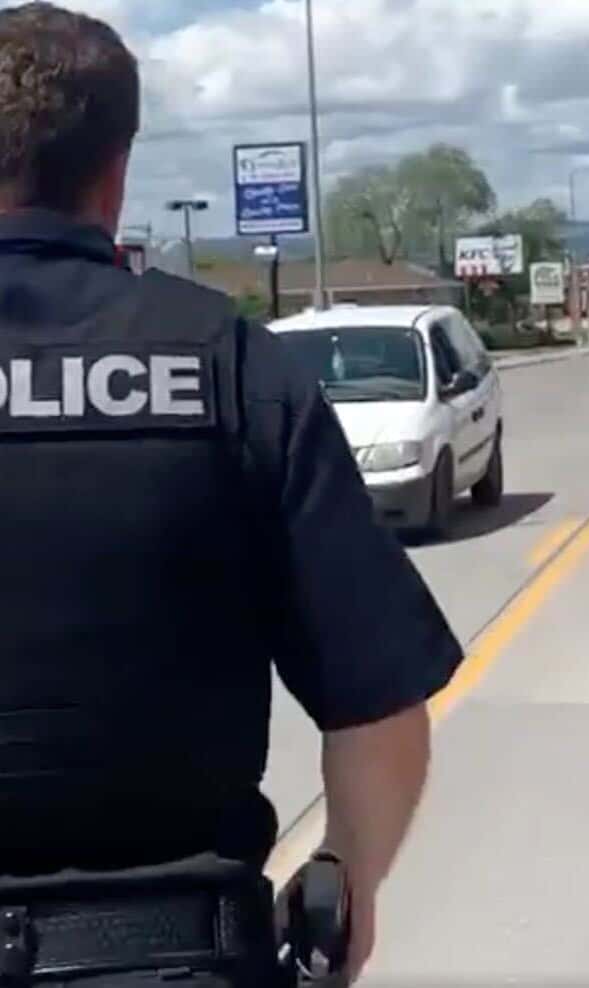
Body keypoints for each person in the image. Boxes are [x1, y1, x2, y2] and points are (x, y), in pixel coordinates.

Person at [0, 5, 463, 985]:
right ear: (116, 168)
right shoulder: (230, 365)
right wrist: (346, 880)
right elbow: (378, 704)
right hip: (168, 950)